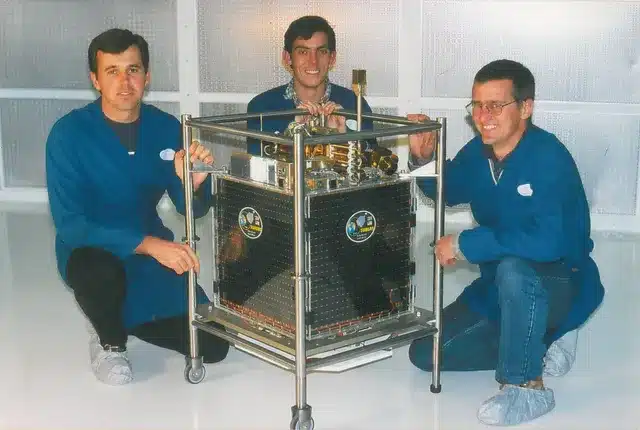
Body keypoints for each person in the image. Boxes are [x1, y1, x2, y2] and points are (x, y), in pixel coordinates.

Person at [406, 59, 604, 426]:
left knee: (516, 268)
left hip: (561, 281)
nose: (484, 116)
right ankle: (539, 338)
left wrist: (466, 244)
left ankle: (526, 384)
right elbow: (445, 190)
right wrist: (423, 156)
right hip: (499, 287)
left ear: (526, 107)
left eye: (496, 105)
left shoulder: (549, 157)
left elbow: (548, 242)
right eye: (478, 105)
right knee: (424, 355)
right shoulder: (480, 152)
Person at [45, 28, 229, 386]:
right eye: (112, 71)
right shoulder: (68, 134)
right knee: (99, 272)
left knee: (214, 344)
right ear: (95, 80)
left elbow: (193, 209)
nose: (125, 82)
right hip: (91, 251)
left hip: (148, 249)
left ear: (147, 76)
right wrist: (150, 245)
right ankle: (109, 340)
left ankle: (114, 313)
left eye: (133, 69)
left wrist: (193, 186)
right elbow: (70, 225)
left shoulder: (166, 127)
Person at [246, 15, 377, 155]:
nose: (313, 62)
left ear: (332, 58)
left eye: (321, 52)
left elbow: (372, 164)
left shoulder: (355, 104)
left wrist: (344, 139)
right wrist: (291, 134)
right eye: (303, 52)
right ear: (287, 58)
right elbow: (257, 168)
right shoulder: (261, 107)